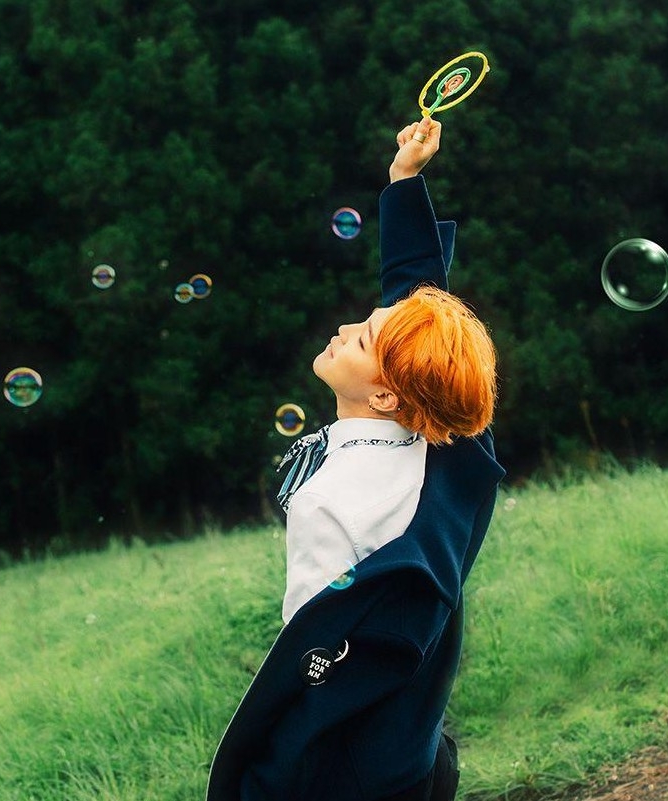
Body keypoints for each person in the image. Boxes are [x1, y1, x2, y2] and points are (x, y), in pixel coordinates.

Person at [206, 115, 504, 801]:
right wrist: (404, 182)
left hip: (347, 774)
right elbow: (415, 310)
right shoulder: (452, 455)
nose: (345, 328)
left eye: (363, 338)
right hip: (412, 752)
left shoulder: (327, 502)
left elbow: (309, 663)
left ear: (386, 392)